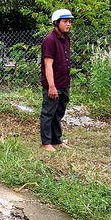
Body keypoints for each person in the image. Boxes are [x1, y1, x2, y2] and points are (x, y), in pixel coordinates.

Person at [39, 9, 73, 152]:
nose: (68, 24)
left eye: (70, 21)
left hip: (64, 82)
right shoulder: (50, 40)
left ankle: (56, 140)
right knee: (48, 113)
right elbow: (48, 64)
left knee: (59, 112)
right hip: (53, 84)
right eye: (65, 21)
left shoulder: (66, 38)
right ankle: (46, 142)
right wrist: (52, 86)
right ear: (56, 22)